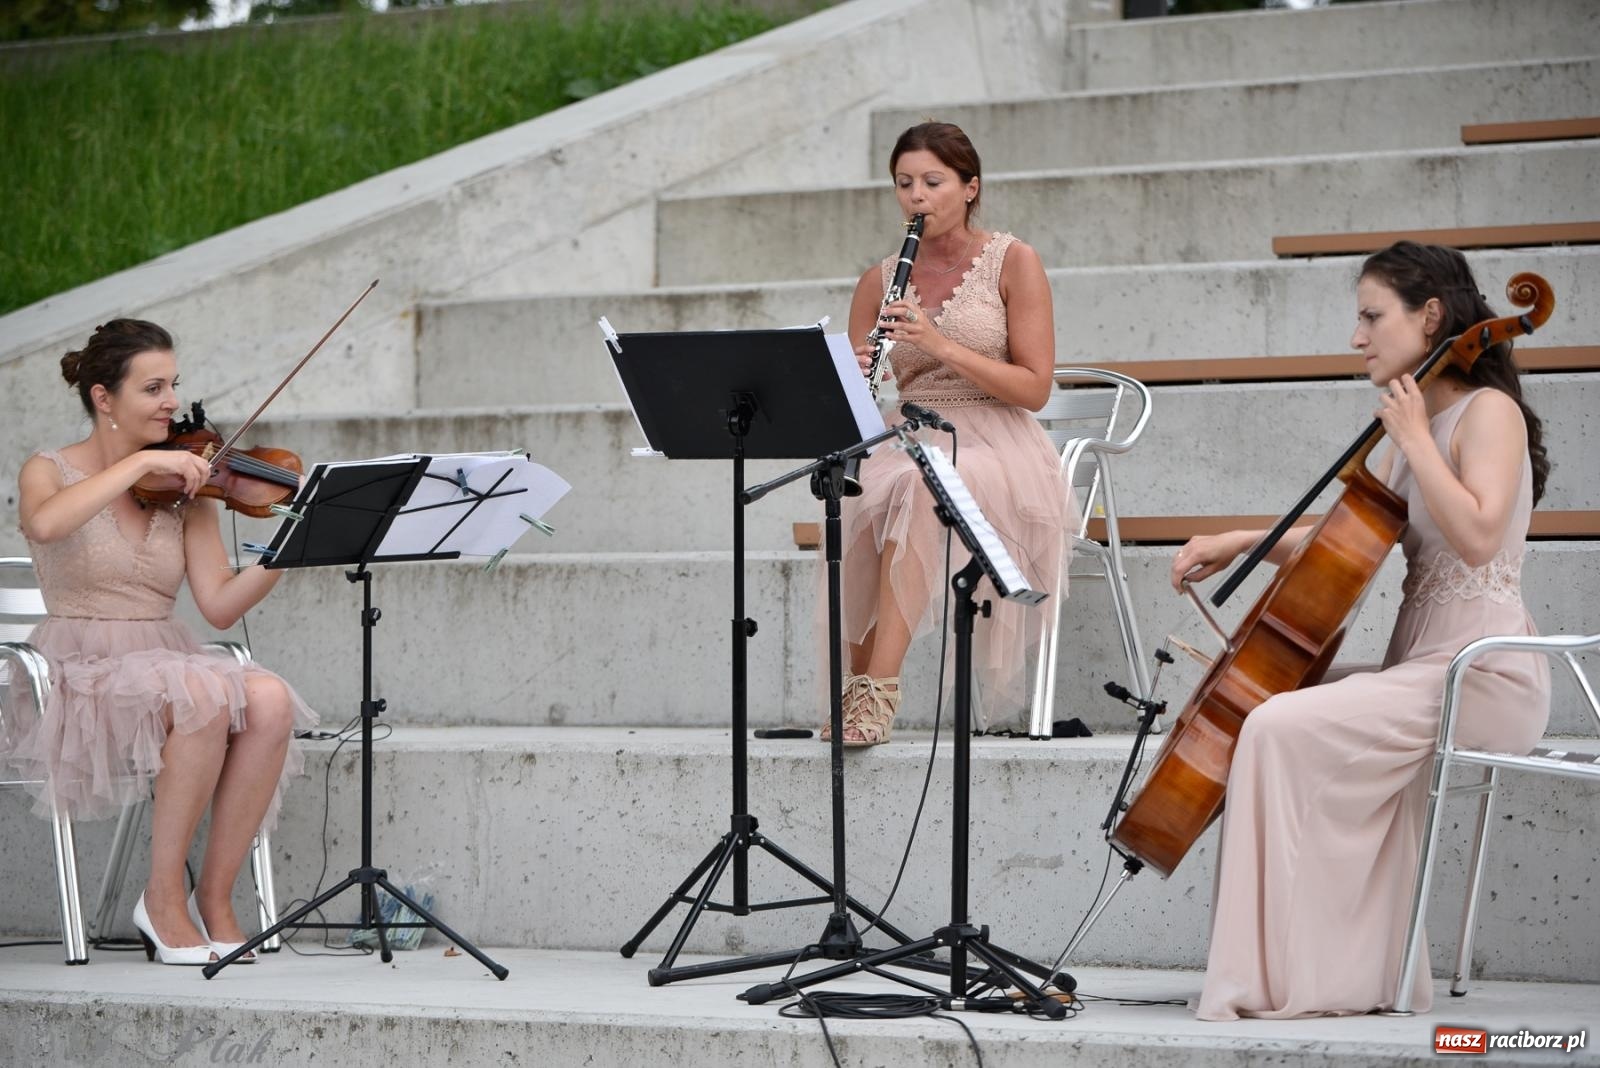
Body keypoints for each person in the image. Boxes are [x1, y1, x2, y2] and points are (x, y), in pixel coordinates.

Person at [1170, 242, 1553, 1019]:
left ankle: (1278, 980)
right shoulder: (1418, 427)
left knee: (1278, 727)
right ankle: (1330, 970)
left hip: (1483, 674)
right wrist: (1239, 542)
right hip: (1421, 668)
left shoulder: (1489, 414)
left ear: (1431, 316)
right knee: (1262, 710)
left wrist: (1413, 439)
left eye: (1373, 316)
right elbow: (1346, 540)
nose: (1357, 337)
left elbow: (1479, 537)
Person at [8, 319, 316, 965]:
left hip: (165, 660)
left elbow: (219, 605)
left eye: (173, 384)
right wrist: (143, 462)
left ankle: (215, 897)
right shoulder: (48, 469)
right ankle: (161, 899)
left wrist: (288, 551)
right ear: (103, 397)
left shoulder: (188, 485)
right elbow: (44, 523)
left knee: (268, 700)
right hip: (76, 671)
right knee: (200, 689)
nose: (172, 401)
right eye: (153, 388)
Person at [829, 122, 1069, 746]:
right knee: (853, 490)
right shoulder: (879, 279)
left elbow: (1034, 388)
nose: (917, 196)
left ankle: (879, 693)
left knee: (918, 485)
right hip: (908, 429)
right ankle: (851, 688)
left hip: (993, 438)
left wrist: (939, 344)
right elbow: (853, 402)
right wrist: (854, 373)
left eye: (933, 182)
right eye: (904, 183)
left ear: (970, 187)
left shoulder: (1014, 261)